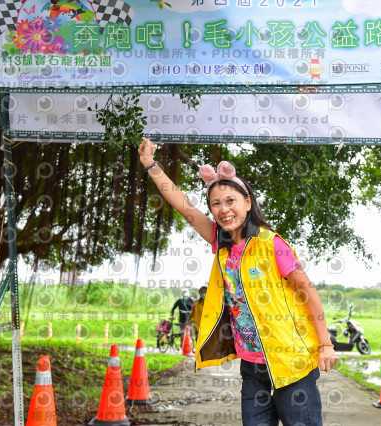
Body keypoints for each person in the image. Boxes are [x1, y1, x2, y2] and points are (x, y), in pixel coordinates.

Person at [138, 137, 338, 426]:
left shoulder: (271, 244)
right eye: (215, 203)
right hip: (253, 364)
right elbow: (185, 207)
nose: (223, 209)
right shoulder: (221, 245)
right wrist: (151, 165)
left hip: (291, 360)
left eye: (230, 200)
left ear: (247, 202)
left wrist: (325, 345)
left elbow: (308, 291)